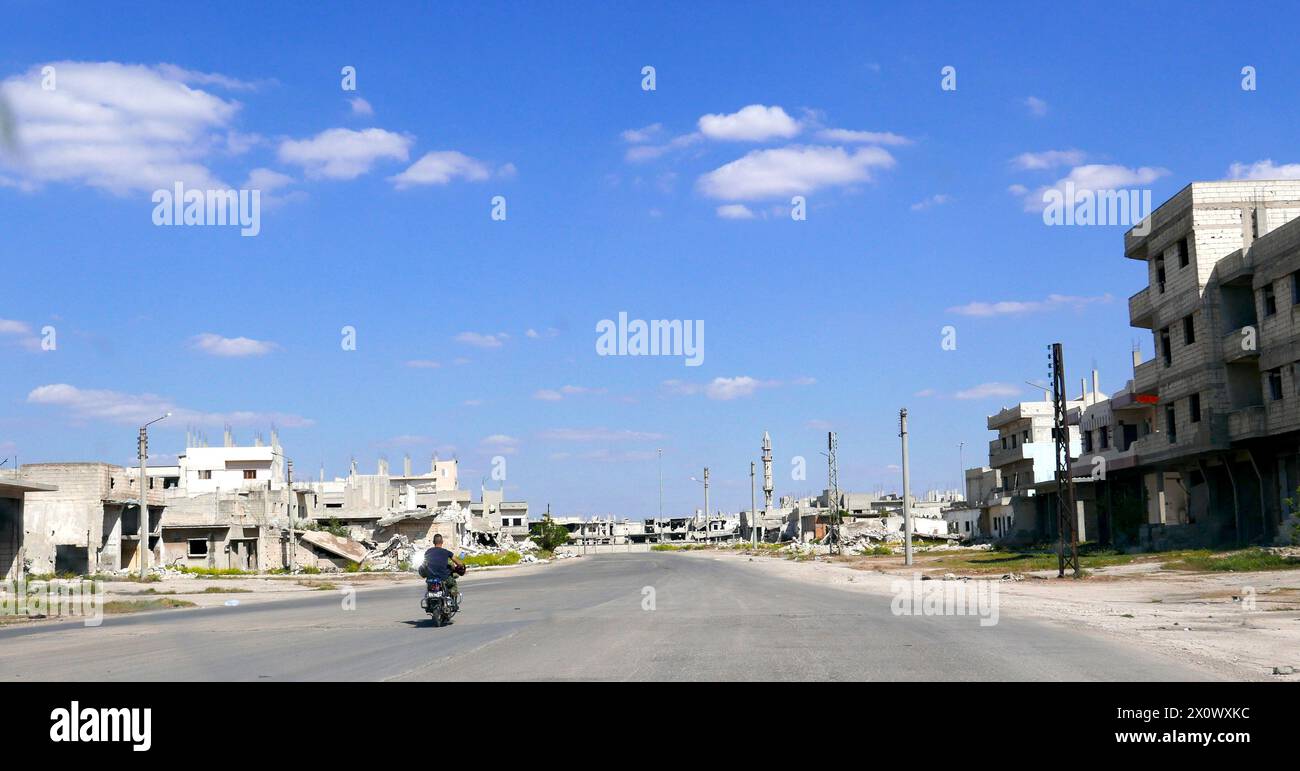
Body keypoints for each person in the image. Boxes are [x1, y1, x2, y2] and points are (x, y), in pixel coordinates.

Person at [422, 534, 464, 600]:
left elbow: (424, 564)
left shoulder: (428, 552)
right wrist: (461, 565)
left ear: (433, 542)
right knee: (453, 583)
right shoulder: (446, 552)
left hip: (430, 579)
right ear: (442, 542)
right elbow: (457, 562)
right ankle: (454, 602)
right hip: (443, 579)